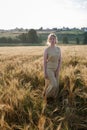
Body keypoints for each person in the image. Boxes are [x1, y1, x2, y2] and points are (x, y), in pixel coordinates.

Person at [43, 33, 61, 103]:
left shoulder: (58, 49)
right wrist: (45, 72)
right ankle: (46, 96)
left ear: (56, 40)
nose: (52, 40)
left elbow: (60, 60)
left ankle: (54, 99)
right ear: (49, 40)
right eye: (51, 39)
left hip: (56, 69)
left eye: (54, 39)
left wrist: (58, 69)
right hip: (49, 69)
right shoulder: (47, 50)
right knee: (54, 84)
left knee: (57, 85)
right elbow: (44, 62)